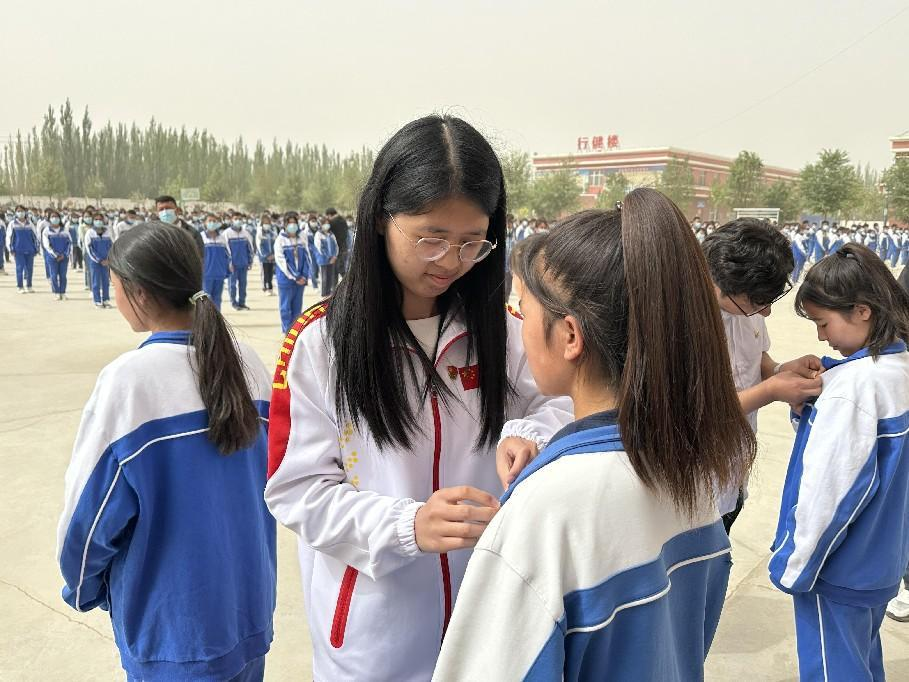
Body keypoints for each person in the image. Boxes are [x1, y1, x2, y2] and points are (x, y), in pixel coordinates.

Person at [264, 115, 573, 682]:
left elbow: (565, 403)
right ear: (381, 220)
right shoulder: (321, 344)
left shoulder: (504, 333)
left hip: (489, 613)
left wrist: (530, 433)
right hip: (375, 633)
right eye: (430, 238)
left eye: (471, 242)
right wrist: (408, 527)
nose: (451, 261)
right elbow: (297, 491)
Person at [434, 190, 756, 681]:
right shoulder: (690, 464)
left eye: (524, 311)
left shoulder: (549, 511)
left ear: (569, 336)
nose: (518, 328)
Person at [56, 222, 276, 681]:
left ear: (137, 292)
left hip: (175, 637)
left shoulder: (129, 382)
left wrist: (81, 588)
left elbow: (89, 522)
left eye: (114, 284)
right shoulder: (248, 362)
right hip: (246, 615)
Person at [768, 243, 909, 681]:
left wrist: (797, 563)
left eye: (823, 322)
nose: (820, 336)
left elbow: (833, 491)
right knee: (860, 663)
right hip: (879, 563)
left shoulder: (854, 391)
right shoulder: (898, 368)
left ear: (862, 311)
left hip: (836, 570)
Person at [702, 219, 823, 533]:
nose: (766, 311)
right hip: (697, 484)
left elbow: (757, 358)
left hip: (733, 471)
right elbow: (696, 412)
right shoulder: (683, 324)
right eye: (757, 303)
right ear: (719, 283)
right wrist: (772, 390)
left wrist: (782, 370)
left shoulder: (747, 308)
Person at [273, 215, 311, 334]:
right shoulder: (280, 240)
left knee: (297, 307)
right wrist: (296, 276)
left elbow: (307, 257)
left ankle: (295, 332)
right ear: (285, 225)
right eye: (290, 223)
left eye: (294, 222)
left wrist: (304, 275)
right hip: (286, 279)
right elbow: (281, 261)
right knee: (285, 307)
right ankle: (287, 331)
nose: (292, 225)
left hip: (301, 279)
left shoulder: (301, 238)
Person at [201, 215, 232, 311]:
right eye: (210, 221)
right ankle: (206, 319)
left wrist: (228, 268)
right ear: (205, 223)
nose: (212, 223)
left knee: (217, 299)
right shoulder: (201, 237)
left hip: (219, 273)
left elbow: (228, 255)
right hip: (206, 274)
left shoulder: (222, 238)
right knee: (206, 299)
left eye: (214, 221)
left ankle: (217, 318)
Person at [6, 204, 39, 293]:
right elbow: (9, 237)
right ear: (16, 213)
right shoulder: (12, 224)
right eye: (18, 211)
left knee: (29, 269)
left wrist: (36, 248)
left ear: (25, 212)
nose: (20, 213)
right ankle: (20, 286)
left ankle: (29, 286)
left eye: (22, 211)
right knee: (19, 269)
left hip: (29, 250)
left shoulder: (30, 223)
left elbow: (35, 237)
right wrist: (11, 249)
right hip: (18, 250)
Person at [85, 212, 114, 308]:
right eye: (96, 219)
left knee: (106, 281)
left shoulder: (107, 232)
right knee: (96, 281)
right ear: (93, 221)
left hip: (106, 262)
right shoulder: (90, 233)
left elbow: (111, 246)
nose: (98, 221)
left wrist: (108, 259)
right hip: (95, 262)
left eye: (100, 219)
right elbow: (89, 249)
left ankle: (106, 300)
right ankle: (97, 300)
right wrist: (99, 260)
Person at [226, 216, 255, 310]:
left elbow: (250, 248)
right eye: (236, 219)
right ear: (232, 220)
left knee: (243, 284)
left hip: (243, 263)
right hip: (233, 265)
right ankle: (234, 303)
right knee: (232, 285)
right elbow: (225, 250)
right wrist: (229, 263)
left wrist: (250, 261)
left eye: (239, 219)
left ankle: (242, 302)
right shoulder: (227, 233)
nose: (238, 221)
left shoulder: (246, 233)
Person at [42, 210, 72, 300]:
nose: (55, 218)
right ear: (49, 219)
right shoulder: (47, 231)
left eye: (56, 217)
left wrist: (64, 255)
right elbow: (46, 245)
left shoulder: (64, 230)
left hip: (64, 257)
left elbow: (69, 243)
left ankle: (63, 292)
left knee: (63, 276)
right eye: (52, 217)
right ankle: (56, 292)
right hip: (52, 257)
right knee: (53, 275)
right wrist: (56, 255)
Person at [314, 220, 339, 296]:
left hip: (332, 259)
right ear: (321, 225)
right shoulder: (318, 234)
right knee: (324, 278)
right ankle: (323, 293)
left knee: (330, 277)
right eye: (325, 223)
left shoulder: (331, 234)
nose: (327, 225)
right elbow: (319, 248)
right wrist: (329, 257)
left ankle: (328, 293)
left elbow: (336, 246)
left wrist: (334, 256)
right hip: (323, 259)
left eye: (328, 223)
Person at [326, 207, 349, 277]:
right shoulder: (343, 220)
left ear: (329, 215)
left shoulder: (332, 222)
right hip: (344, 245)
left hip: (337, 247)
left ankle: (345, 280)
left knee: (338, 267)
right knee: (342, 265)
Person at [257, 214, 277, 296]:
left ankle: (270, 288)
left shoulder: (272, 233)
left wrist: (273, 254)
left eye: (268, 223)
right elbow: (259, 246)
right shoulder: (260, 233)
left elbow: (275, 244)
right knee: (265, 273)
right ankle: (265, 288)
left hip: (272, 257)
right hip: (264, 258)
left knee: (270, 273)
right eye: (265, 223)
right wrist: (266, 255)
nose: (267, 225)